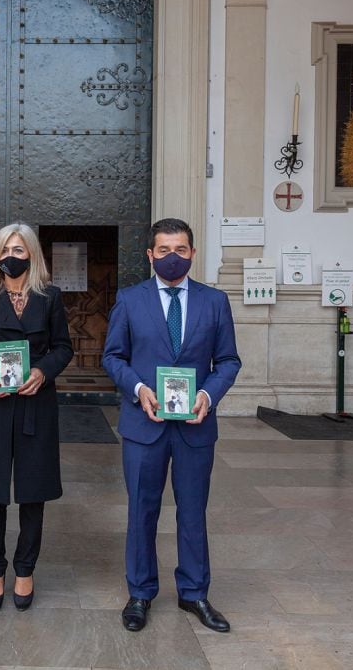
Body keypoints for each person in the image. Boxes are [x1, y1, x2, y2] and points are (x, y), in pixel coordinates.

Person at [102, 217, 241, 633]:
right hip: (144, 426)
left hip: (196, 426)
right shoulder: (130, 299)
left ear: (193, 253)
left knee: (193, 511)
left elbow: (229, 361)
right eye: (163, 250)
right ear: (150, 255)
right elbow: (113, 357)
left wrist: (208, 395)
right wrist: (139, 389)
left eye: (180, 249)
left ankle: (194, 593)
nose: (172, 257)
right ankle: (141, 593)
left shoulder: (214, 301)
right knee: (142, 511)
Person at [0, 223, 73, 612]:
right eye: (7, 248)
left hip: (35, 404)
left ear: (33, 254)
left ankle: (25, 569)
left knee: (32, 491)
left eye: (20, 250)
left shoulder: (50, 296)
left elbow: (62, 347)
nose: (13, 255)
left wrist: (42, 372)